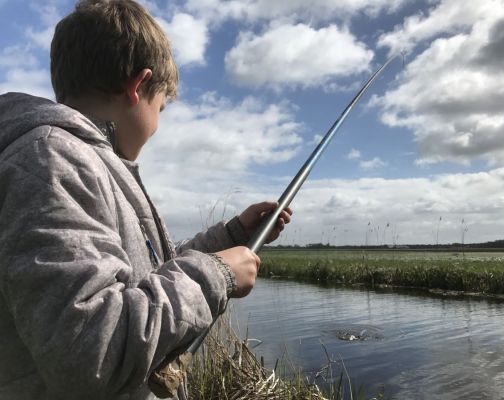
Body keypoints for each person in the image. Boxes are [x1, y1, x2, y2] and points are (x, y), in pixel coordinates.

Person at [0, 1, 292, 399]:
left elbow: (147, 275)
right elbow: (91, 349)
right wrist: (215, 275)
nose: (157, 123)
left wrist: (234, 234)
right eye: (161, 106)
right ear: (138, 86)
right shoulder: (52, 161)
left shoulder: (87, 163)